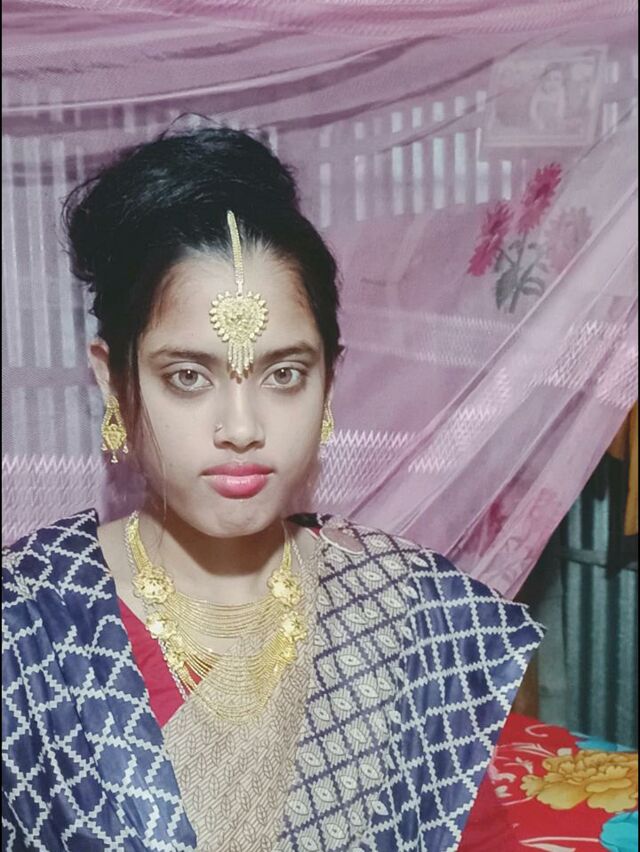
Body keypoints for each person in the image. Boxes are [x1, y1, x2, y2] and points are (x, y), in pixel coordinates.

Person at [2, 124, 544, 851]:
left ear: (329, 379)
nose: (241, 427)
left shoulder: (413, 618)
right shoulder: (31, 624)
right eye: (187, 377)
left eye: (284, 374)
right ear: (113, 379)